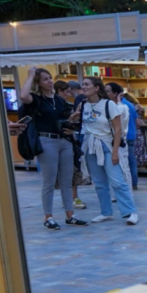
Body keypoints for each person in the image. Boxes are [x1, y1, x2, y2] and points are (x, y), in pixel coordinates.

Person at [19, 67, 88, 229]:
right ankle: (48, 216)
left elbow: (64, 119)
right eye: (45, 79)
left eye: (50, 78)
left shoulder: (58, 100)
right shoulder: (36, 100)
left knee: (66, 180)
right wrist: (30, 76)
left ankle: (70, 215)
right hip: (46, 140)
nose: (49, 81)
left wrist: (73, 120)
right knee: (49, 181)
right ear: (38, 83)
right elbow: (23, 95)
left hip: (64, 141)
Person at [70, 77, 139, 225]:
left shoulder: (109, 105)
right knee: (99, 183)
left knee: (117, 181)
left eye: (87, 84)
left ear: (96, 88)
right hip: (90, 148)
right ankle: (106, 212)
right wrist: (74, 117)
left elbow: (118, 129)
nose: (83, 86)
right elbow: (79, 123)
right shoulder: (84, 105)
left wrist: (115, 152)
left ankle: (130, 211)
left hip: (107, 146)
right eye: (83, 84)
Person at [54, 81, 87, 211]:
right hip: (57, 141)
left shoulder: (67, 106)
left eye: (69, 91)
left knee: (72, 170)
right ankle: (69, 199)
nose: (68, 95)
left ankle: (73, 197)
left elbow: (74, 124)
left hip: (70, 142)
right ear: (58, 92)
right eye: (66, 92)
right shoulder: (53, 107)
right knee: (61, 172)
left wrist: (73, 125)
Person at [104, 83, 133, 192]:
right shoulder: (106, 106)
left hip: (119, 141)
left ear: (115, 93)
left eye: (108, 91)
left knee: (124, 168)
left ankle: (127, 192)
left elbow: (120, 126)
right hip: (109, 141)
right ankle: (114, 194)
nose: (105, 94)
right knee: (112, 169)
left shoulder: (122, 107)